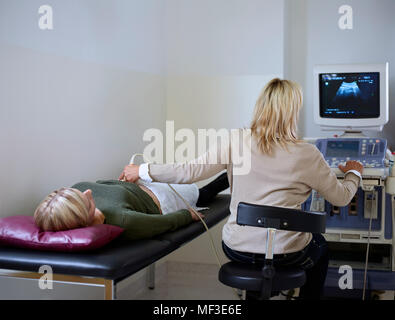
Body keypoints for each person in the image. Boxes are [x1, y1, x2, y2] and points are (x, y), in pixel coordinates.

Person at [119, 78, 364, 299]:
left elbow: (188, 171)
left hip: (238, 249)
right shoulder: (308, 154)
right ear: (293, 112)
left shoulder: (235, 140)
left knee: (261, 259)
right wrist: (353, 172)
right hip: (288, 253)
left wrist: (141, 170)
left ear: (261, 107)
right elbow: (341, 198)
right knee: (320, 246)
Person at [33, 173, 230, 240]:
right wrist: (188, 216)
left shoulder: (78, 187)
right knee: (203, 194)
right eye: (85, 200)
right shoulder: (123, 220)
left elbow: (103, 184)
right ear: (81, 218)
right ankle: (238, 171)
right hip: (165, 201)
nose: (87, 192)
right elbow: (164, 222)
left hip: (142, 184)